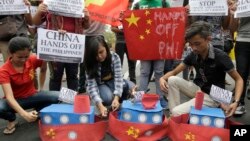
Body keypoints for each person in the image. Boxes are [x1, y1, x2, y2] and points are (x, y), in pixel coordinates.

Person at [159, 21, 243, 117]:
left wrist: (236, 102)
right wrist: (162, 78)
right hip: (199, 89)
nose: (194, 48)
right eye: (190, 44)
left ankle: (177, 115)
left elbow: (239, 79)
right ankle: (175, 116)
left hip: (216, 96)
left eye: (197, 44)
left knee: (177, 111)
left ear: (208, 39)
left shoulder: (220, 56)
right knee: (172, 79)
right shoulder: (193, 54)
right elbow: (175, 72)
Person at [0, 37, 59, 135]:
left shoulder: (32, 59)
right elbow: (9, 97)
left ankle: (38, 111)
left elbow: (43, 69)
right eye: (19, 57)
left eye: (26, 56)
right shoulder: (4, 71)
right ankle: (12, 119)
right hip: (14, 100)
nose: (23, 60)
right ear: (11, 53)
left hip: (32, 96)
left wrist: (41, 88)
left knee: (59, 96)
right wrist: (24, 114)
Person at [32, 2, 90, 91]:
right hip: (54, 46)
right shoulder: (49, 3)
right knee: (56, 76)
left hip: (73, 47)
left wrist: (87, 17)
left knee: (73, 75)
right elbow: (35, 22)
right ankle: (54, 103)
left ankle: (72, 102)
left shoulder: (79, 4)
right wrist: (39, 11)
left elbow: (86, 26)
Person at [85, 36, 135, 117]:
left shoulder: (115, 57)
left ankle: (120, 100)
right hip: (100, 84)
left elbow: (118, 79)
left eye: (101, 52)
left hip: (113, 81)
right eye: (95, 55)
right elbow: (92, 87)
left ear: (106, 48)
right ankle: (108, 102)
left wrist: (116, 98)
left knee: (131, 86)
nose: (99, 56)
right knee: (108, 98)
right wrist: (100, 105)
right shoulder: (89, 62)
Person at [134, 0, 170, 109]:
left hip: (159, 43)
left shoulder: (163, 3)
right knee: (144, 72)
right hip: (144, 43)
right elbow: (131, 24)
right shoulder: (138, 5)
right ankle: (141, 97)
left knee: (159, 72)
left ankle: (160, 97)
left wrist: (183, 13)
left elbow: (172, 19)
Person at [229, 1, 250, 115]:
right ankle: (239, 103)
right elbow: (232, 29)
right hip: (243, 40)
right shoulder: (241, 3)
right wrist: (233, 14)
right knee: (241, 73)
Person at [111, 0, 136, 84]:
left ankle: (133, 82)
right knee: (119, 63)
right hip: (120, 42)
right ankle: (118, 82)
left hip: (131, 42)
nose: (129, 6)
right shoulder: (116, 14)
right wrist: (125, 31)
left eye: (130, 5)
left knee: (132, 63)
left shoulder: (133, 13)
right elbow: (112, 28)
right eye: (128, 5)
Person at [78, 20, 106, 94]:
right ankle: (81, 87)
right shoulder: (85, 8)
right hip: (86, 35)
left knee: (100, 60)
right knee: (84, 61)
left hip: (99, 34)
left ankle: (100, 85)